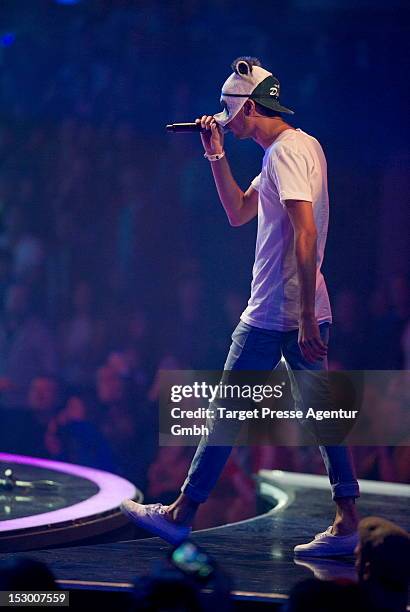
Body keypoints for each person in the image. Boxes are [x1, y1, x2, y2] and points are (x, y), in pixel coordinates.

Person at [121, 56, 360, 555]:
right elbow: (238, 212)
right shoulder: (295, 148)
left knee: (228, 412)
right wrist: (216, 155)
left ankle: (182, 513)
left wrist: (300, 317)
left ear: (249, 107)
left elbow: (306, 230)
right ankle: (347, 519)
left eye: (229, 113)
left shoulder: (287, 154)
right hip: (297, 309)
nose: (226, 121)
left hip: (279, 312)